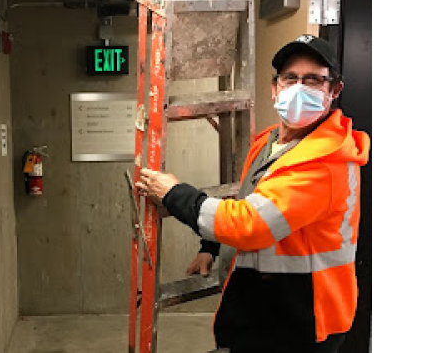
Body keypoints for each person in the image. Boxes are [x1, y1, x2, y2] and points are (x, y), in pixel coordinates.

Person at [136, 35, 371, 353]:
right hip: (264, 310)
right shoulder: (271, 141)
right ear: (275, 87)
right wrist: (212, 246)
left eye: (314, 80)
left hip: (301, 322)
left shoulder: (325, 161)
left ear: (334, 90)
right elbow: (249, 200)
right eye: (291, 78)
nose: (300, 88)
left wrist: (174, 194)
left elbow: (252, 224)